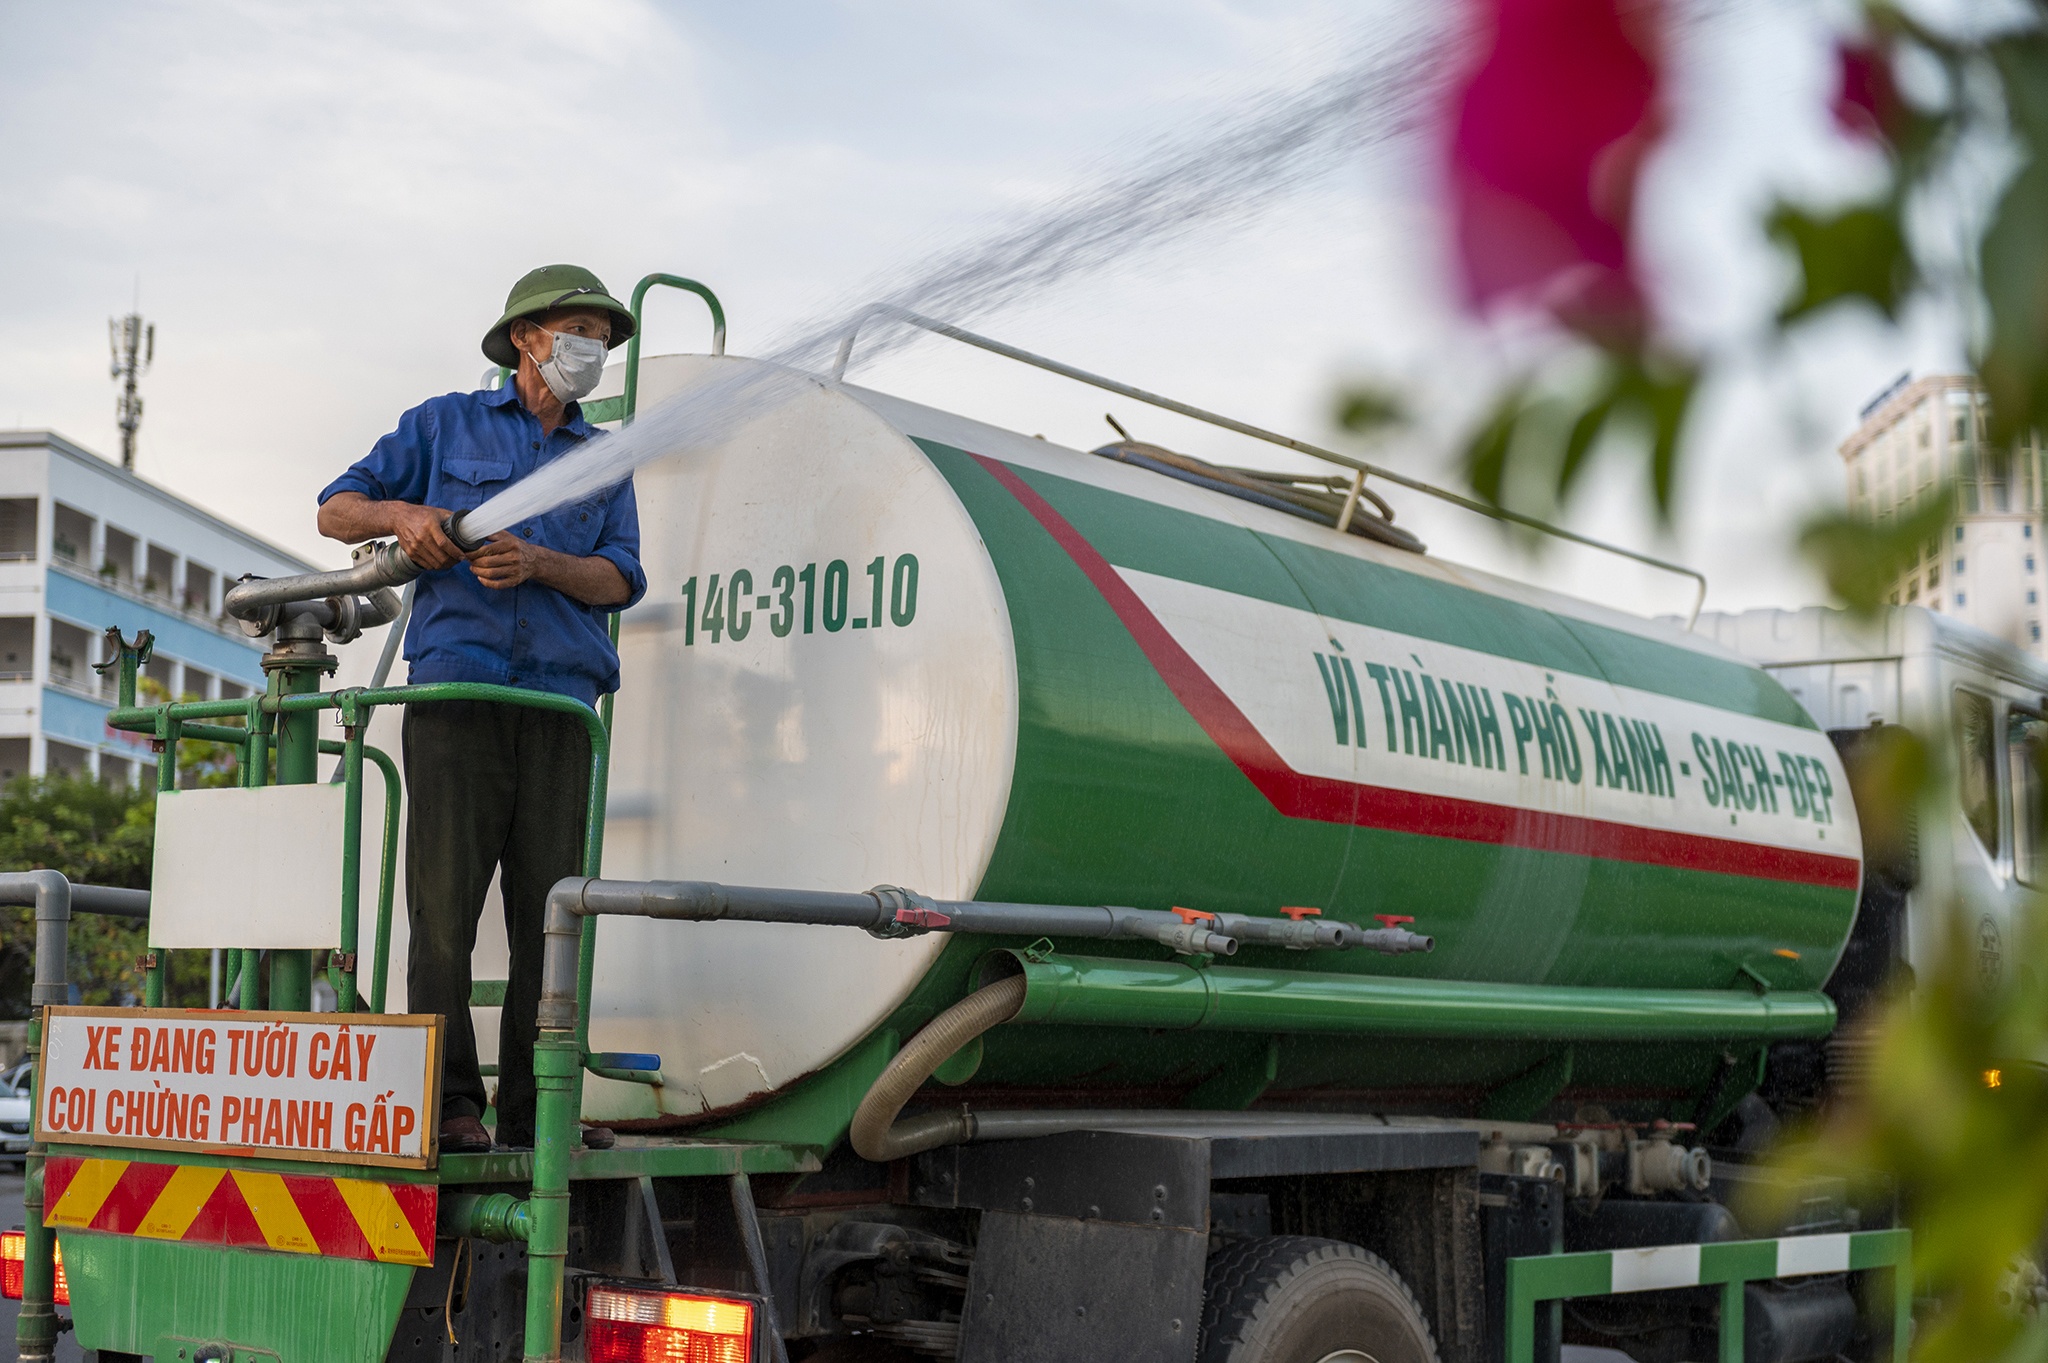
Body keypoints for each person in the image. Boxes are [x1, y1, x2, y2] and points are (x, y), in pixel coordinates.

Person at [316, 265, 647, 1153]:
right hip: (456, 699)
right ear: (528, 337)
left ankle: (539, 1112)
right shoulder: (443, 423)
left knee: (554, 918)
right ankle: (452, 1105)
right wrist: (406, 514)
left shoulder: (601, 461)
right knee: (442, 914)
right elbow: (335, 510)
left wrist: (539, 563)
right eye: (579, 331)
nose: (593, 352)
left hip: (560, 710)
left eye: (604, 340)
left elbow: (621, 577)